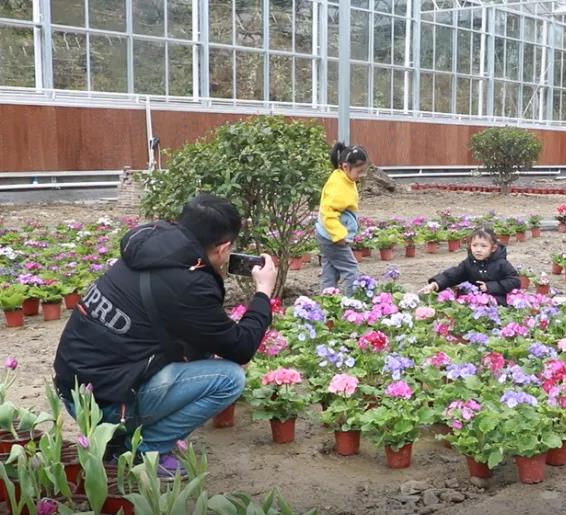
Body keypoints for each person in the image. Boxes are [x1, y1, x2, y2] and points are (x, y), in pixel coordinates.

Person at [53, 193, 278, 476]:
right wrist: (263, 292)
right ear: (224, 248)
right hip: (102, 404)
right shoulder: (188, 283)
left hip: (74, 387)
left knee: (200, 350)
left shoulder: (152, 246)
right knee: (229, 379)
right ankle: (143, 451)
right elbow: (241, 347)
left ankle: (121, 438)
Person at [418, 226, 521, 305]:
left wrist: (491, 286)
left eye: (483, 246)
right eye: (474, 245)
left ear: (493, 248)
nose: (478, 249)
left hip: (496, 301)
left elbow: (515, 281)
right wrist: (435, 284)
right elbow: (453, 274)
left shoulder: (501, 263)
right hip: (472, 301)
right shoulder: (469, 262)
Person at [317, 142, 369, 295]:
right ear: (345, 166)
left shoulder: (343, 177)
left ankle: (326, 301)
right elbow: (329, 212)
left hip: (326, 234)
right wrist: (339, 235)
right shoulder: (339, 186)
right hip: (332, 237)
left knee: (330, 269)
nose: (361, 176)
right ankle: (350, 303)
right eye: (359, 172)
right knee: (350, 267)